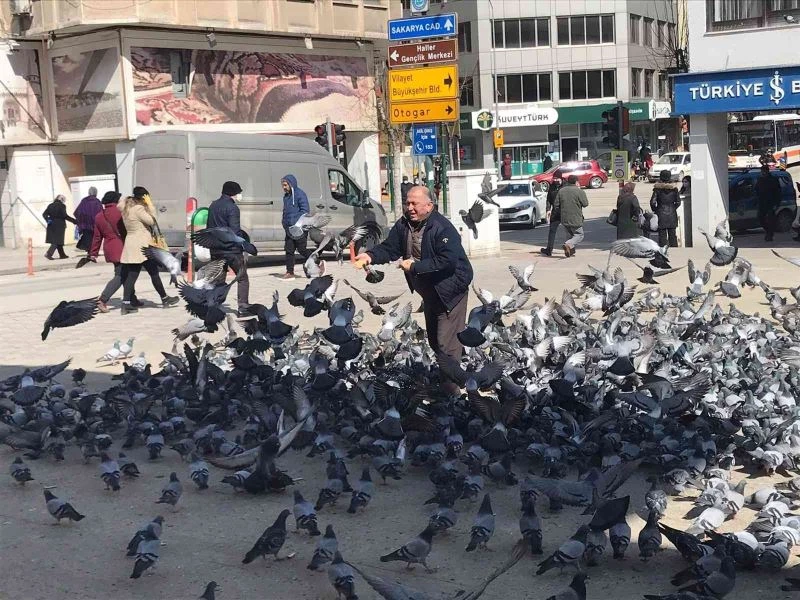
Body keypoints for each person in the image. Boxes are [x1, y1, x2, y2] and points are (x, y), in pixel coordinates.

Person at [354, 186, 473, 363]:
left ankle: (452, 389)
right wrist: (370, 255)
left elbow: (447, 260)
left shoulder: (443, 228)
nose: (409, 207)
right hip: (430, 293)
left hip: (450, 293)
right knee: (434, 342)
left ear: (429, 206)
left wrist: (414, 267)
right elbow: (390, 248)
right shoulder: (404, 225)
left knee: (446, 346)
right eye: (407, 203)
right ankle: (453, 376)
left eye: (414, 203)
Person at [118, 191, 178, 315]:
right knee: (152, 273)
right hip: (142, 245)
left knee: (133, 275)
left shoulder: (126, 208)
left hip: (132, 244)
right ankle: (164, 299)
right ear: (143, 198)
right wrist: (150, 206)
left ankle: (126, 304)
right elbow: (152, 221)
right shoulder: (138, 209)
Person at [207, 180, 250, 314]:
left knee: (219, 278)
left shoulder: (213, 205)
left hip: (215, 248)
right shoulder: (232, 208)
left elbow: (209, 227)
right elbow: (235, 231)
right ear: (233, 193)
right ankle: (243, 306)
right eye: (238, 193)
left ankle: (214, 306)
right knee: (242, 277)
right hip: (230, 250)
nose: (239, 195)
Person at [89, 191, 125, 312]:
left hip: (109, 248)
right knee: (121, 275)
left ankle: (132, 298)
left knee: (125, 273)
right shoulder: (121, 213)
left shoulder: (99, 216)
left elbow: (97, 237)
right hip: (121, 247)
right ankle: (103, 299)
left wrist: (93, 253)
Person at [281, 174, 312, 280]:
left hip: (300, 229)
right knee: (289, 250)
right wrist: (285, 223)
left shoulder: (300, 194)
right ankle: (290, 272)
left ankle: (316, 261)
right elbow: (285, 212)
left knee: (302, 250)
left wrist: (295, 222)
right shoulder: (286, 197)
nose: (284, 187)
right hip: (289, 229)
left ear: (291, 184)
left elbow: (305, 211)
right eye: (283, 185)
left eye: (285, 185)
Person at [555, 175, 588, 257]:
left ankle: (570, 251)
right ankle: (568, 244)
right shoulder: (579, 191)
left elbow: (556, 205)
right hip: (575, 217)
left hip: (564, 217)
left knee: (569, 234)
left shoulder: (561, 191)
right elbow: (585, 204)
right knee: (579, 235)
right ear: (576, 182)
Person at [650, 169, 682, 247]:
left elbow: (653, 202)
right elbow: (678, 202)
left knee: (662, 235)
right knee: (672, 235)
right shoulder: (674, 189)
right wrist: (673, 208)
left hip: (661, 213)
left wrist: (656, 210)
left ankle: (663, 251)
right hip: (672, 214)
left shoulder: (657, 189)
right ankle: (675, 251)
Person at [43, 194, 76, 260]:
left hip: (51, 225)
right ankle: (49, 254)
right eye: (64, 200)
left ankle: (62, 254)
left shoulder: (50, 205)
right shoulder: (62, 206)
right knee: (57, 241)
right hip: (59, 225)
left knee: (58, 240)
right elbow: (65, 216)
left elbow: (44, 214)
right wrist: (74, 221)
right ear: (62, 200)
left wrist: (48, 220)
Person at [755, 164, 781, 242]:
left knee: (770, 219)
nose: (763, 173)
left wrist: (777, 204)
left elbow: (778, 192)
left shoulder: (773, 180)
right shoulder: (760, 180)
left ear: (767, 171)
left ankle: (770, 234)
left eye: (764, 171)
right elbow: (756, 190)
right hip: (762, 203)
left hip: (771, 203)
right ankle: (768, 231)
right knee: (760, 218)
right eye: (762, 171)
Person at [74, 186, 102, 253]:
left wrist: (80, 221)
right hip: (94, 223)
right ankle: (92, 251)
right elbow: (100, 212)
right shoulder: (97, 201)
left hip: (85, 224)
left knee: (87, 237)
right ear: (96, 193)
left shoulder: (84, 200)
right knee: (94, 237)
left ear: (89, 192)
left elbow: (77, 212)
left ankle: (89, 250)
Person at [540, 177, 562, 257]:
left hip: (564, 211)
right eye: (554, 179)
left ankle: (570, 248)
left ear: (561, 178)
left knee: (569, 230)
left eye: (557, 179)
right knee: (552, 230)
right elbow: (548, 199)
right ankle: (549, 250)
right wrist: (548, 209)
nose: (556, 180)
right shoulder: (552, 187)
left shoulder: (565, 186)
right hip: (555, 212)